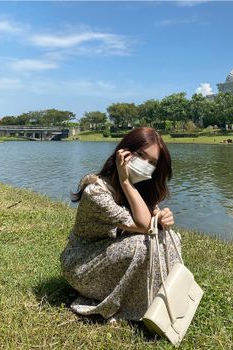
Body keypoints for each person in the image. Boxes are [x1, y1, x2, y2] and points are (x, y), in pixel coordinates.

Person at [60, 127, 182, 322]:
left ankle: (165, 298)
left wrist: (161, 218)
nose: (145, 164)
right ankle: (139, 306)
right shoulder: (96, 193)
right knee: (141, 245)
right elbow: (143, 225)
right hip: (81, 266)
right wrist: (125, 181)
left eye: (151, 162)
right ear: (123, 152)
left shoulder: (140, 188)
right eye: (140, 155)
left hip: (107, 257)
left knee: (169, 236)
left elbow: (150, 220)